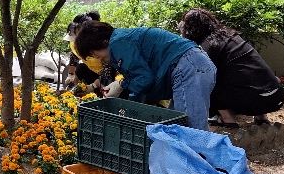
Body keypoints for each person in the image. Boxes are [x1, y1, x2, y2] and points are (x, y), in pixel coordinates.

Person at [74, 21, 215, 130]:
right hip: (191, 66)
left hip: (188, 67)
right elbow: (139, 77)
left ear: (101, 42)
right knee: (175, 126)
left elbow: (145, 79)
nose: (97, 58)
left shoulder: (118, 43)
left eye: (93, 54)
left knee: (191, 130)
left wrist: (122, 85)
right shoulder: (120, 39)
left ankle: (212, 167)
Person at [180, 8, 284, 127]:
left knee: (206, 81)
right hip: (276, 98)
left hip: (254, 102)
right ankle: (261, 117)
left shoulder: (208, 47)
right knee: (251, 77)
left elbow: (204, 80)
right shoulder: (232, 36)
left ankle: (227, 119)